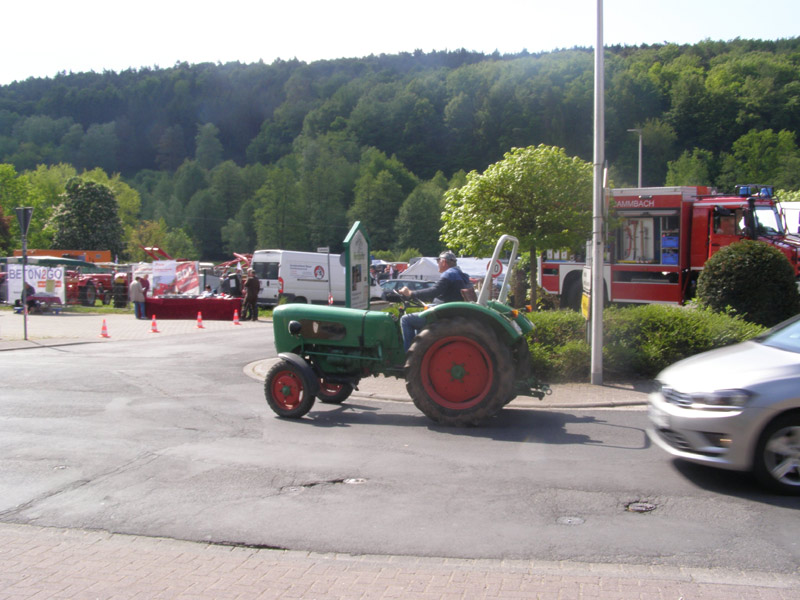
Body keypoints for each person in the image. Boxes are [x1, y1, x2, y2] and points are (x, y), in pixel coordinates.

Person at [398, 250, 473, 352]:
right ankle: (418, 349)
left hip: (440, 315)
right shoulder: (461, 275)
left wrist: (411, 294)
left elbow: (434, 291)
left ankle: (409, 354)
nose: (437, 264)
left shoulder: (449, 274)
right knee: (417, 323)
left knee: (406, 320)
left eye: (438, 261)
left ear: (444, 262)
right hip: (448, 312)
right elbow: (441, 293)